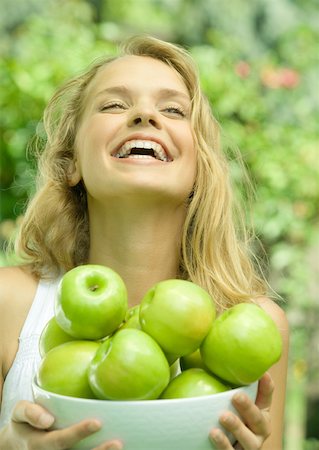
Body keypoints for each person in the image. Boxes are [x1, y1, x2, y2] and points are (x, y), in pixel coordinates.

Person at [0, 35, 289, 450]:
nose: (144, 115)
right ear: (72, 163)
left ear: (199, 167)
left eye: (172, 109)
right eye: (114, 104)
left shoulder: (258, 324)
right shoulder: (10, 305)